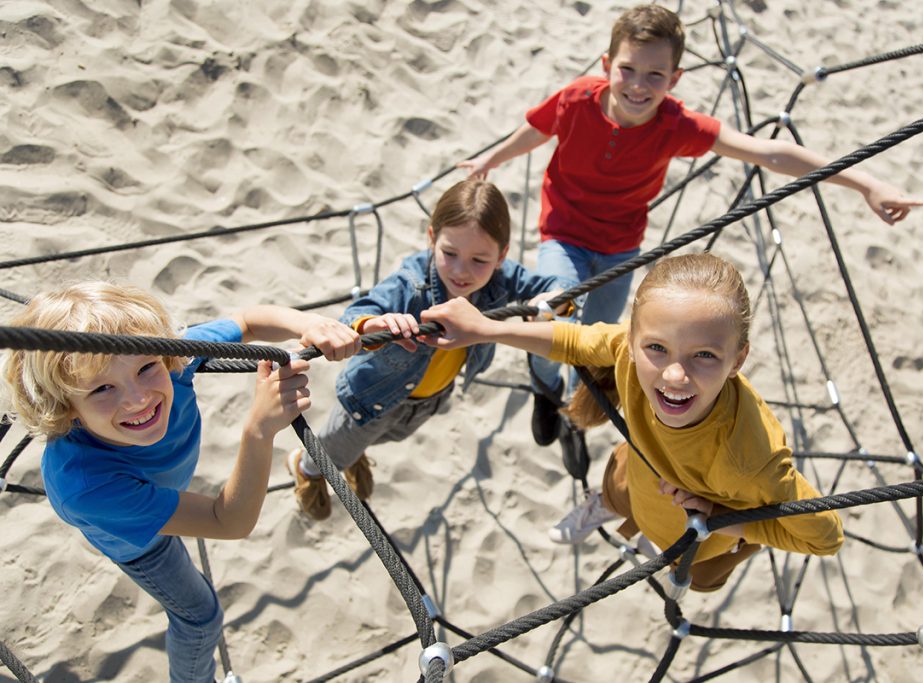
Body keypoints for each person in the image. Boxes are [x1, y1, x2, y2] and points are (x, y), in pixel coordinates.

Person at [459, 3, 923, 448]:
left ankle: (579, 415)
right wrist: (491, 159)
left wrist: (863, 181)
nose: (638, 86)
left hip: (622, 247)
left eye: (655, 75)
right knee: (553, 314)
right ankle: (545, 390)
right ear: (607, 64)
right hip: (564, 233)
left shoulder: (676, 124)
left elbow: (768, 152)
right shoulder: (577, 99)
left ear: (675, 78)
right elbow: (539, 128)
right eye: (627, 69)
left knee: (600, 340)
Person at [0, 281, 361, 682]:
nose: (137, 398)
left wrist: (307, 324)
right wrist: (259, 430)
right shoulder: (84, 487)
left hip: (167, 488)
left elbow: (248, 321)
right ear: (66, 407)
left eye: (146, 367)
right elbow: (229, 522)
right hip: (140, 543)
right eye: (103, 388)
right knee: (201, 616)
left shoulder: (174, 360)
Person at [421, 253, 844, 592]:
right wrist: (485, 329)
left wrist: (725, 516)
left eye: (705, 355)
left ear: (738, 360)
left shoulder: (751, 457)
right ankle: (608, 506)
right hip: (641, 476)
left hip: (698, 538)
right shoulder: (629, 349)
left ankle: (665, 543)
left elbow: (825, 537)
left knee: (698, 579)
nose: (674, 375)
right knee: (618, 485)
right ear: (635, 337)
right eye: (657, 347)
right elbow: (573, 341)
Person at [288, 178, 569, 519]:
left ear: (501, 256)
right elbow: (357, 315)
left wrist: (550, 302)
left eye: (479, 260)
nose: (462, 271)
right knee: (330, 451)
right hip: (372, 398)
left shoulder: (500, 277)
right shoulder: (411, 284)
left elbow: (555, 288)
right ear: (432, 237)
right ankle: (305, 471)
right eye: (449, 254)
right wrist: (371, 325)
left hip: (430, 398)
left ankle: (353, 455)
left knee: (388, 438)